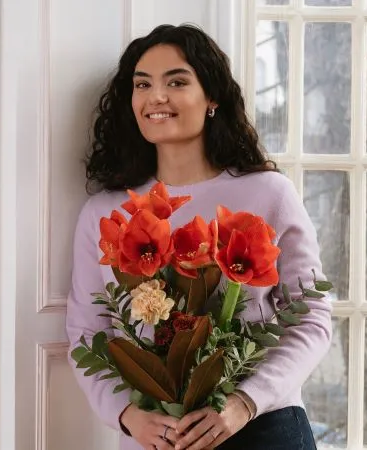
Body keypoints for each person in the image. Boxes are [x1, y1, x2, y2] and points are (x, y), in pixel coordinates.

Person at [65, 24, 332, 450]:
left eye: (176, 81)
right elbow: (85, 333)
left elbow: (311, 316)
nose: (157, 96)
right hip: (156, 437)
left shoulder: (267, 193)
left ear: (212, 98)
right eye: (142, 84)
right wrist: (129, 416)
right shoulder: (106, 212)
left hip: (262, 427)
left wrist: (245, 402)